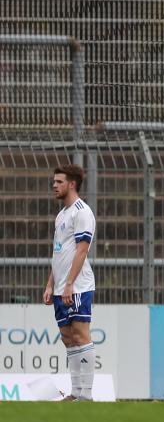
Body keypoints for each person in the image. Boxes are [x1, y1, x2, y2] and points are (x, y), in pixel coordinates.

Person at [44, 164, 97, 401]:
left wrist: (69, 284)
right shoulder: (61, 215)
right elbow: (58, 252)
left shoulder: (82, 212)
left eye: (59, 182)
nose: (54, 185)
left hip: (78, 286)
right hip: (60, 286)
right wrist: (50, 284)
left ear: (72, 184)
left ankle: (87, 394)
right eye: (54, 181)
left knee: (80, 334)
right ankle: (75, 392)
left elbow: (81, 250)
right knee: (67, 337)